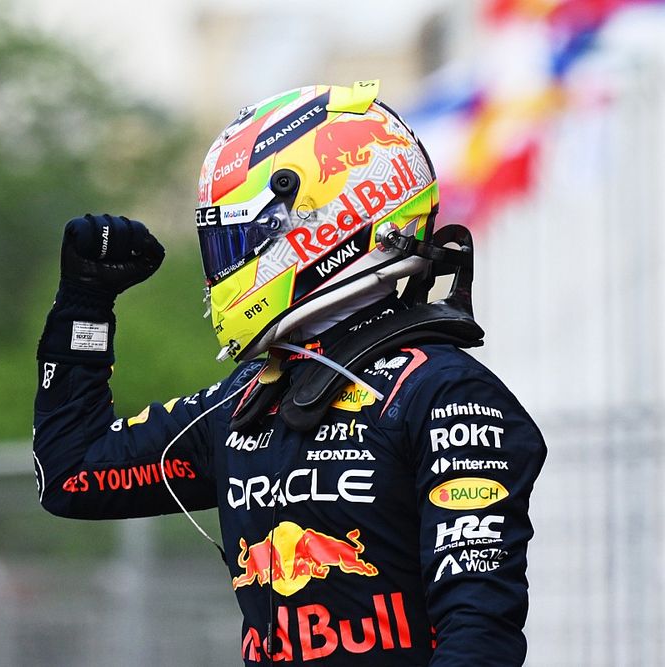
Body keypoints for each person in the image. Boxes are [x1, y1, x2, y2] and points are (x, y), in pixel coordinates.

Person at [33, 81, 546, 666]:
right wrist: (85, 304)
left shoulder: (444, 392)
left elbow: (479, 633)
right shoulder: (250, 398)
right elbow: (70, 474)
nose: (229, 260)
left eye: (241, 236)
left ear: (329, 219)